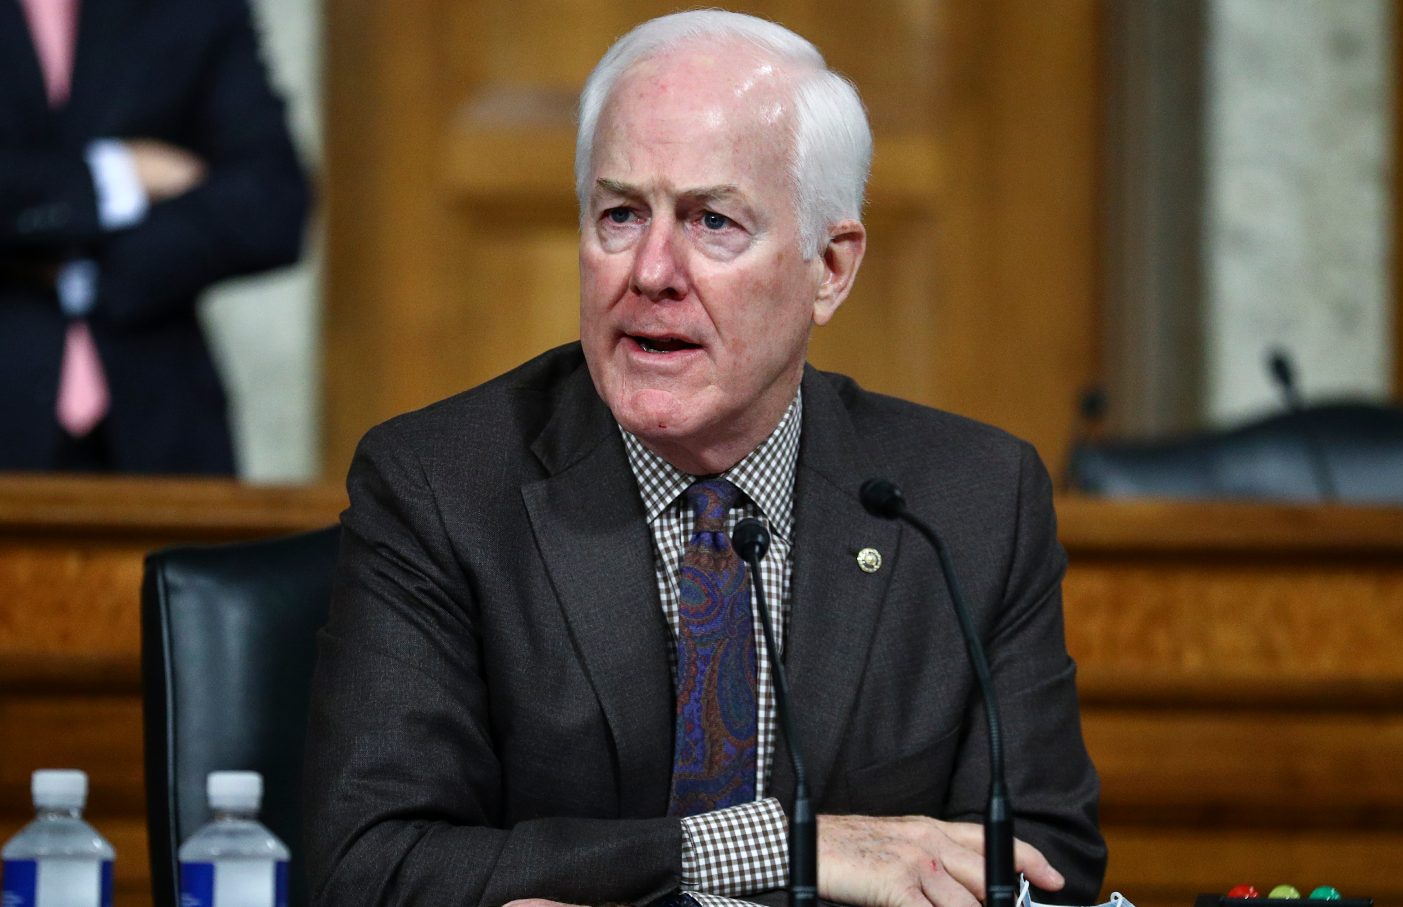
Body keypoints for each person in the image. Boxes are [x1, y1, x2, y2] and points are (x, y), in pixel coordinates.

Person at [304, 10, 1105, 907]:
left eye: (712, 221)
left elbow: (1045, 862)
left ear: (829, 267)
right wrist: (776, 845)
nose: (650, 270)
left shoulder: (969, 501)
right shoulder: (442, 486)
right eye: (619, 214)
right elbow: (367, 868)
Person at [0, 0, 309, 473]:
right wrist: (114, 176)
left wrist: (91, 270)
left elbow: (274, 203)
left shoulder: (192, 9)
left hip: (159, 417)